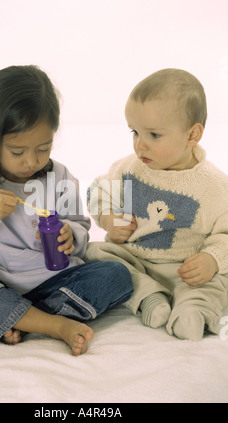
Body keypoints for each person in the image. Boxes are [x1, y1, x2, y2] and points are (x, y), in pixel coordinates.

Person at [0, 65, 133, 355]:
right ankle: (55, 324)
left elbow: (80, 226)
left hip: (54, 284)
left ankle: (16, 319)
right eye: (17, 151)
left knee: (117, 274)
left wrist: (71, 236)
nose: (31, 161)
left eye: (43, 148)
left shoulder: (58, 177)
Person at [85, 68, 228, 341]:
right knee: (93, 251)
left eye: (154, 135)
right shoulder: (130, 168)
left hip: (186, 270)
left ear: (192, 135)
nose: (141, 145)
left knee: (215, 280)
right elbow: (99, 190)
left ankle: (193, 310)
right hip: (135, 263)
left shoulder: (215, 187)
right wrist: (107, 219)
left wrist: (212, 260)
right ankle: (148, 296)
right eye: (135, 132)